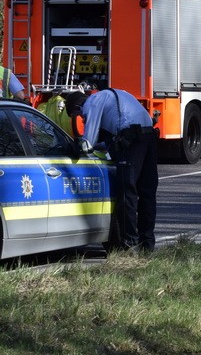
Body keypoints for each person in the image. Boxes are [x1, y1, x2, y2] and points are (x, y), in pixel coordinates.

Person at [64, 88, 158, 252]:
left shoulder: (92, 103)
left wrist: (74, 148)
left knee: (126, 192)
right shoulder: (113, 95)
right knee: (147, 193)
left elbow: (88, 142)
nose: (83, 119)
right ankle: (147, 243)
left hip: (131, 140)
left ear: (78, 107)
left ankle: (129, 244)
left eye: (79, 117)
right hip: (148, 137)